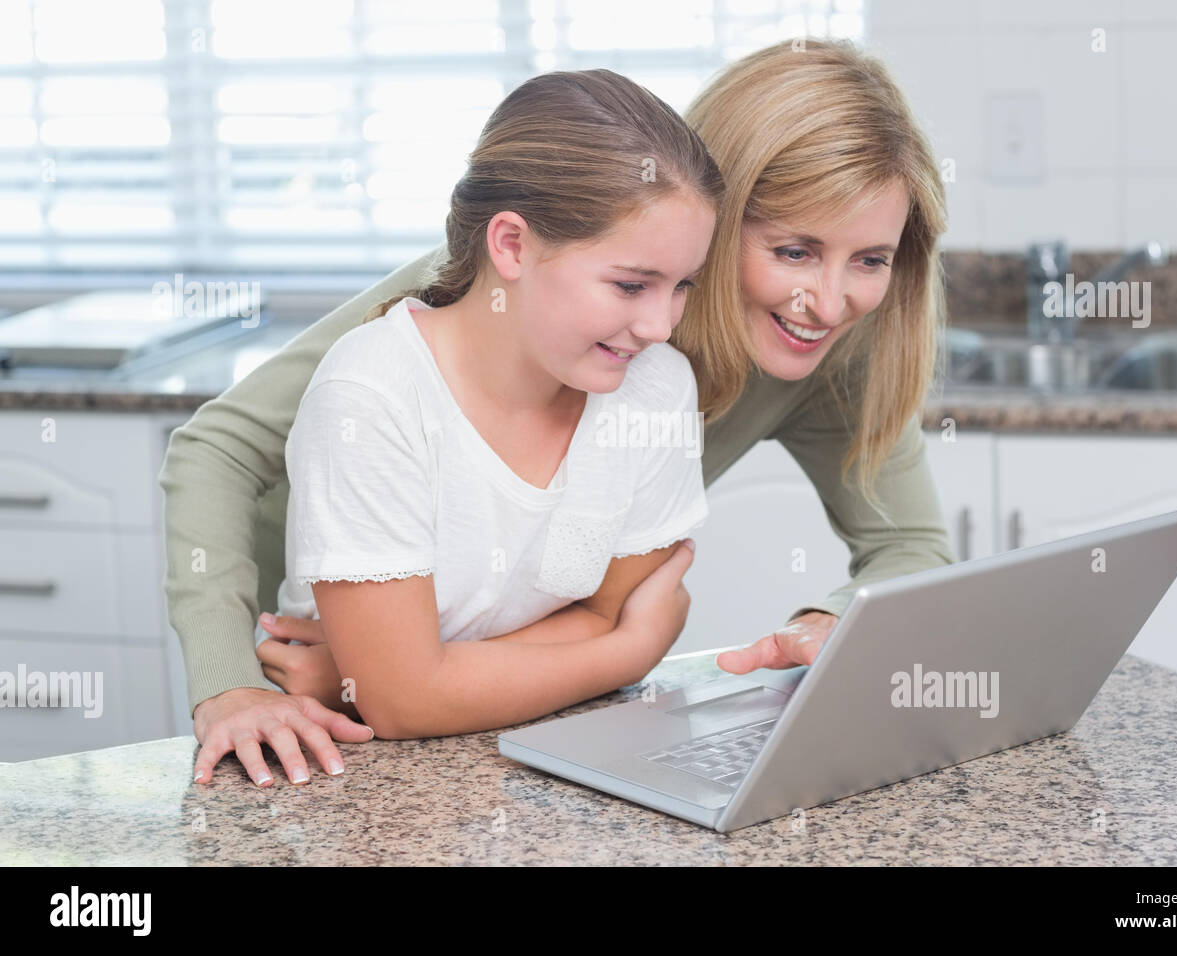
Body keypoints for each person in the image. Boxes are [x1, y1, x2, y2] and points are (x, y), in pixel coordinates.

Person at [160, 38, 955, 787]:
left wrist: (830, 621)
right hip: (298, 643)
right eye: (792, 250)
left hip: (452, 673)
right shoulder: (500, 292)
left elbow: (911, 546)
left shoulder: (810, 353)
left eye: (871, 260)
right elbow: (218, 450)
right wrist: (233, 681)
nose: (828, 301)